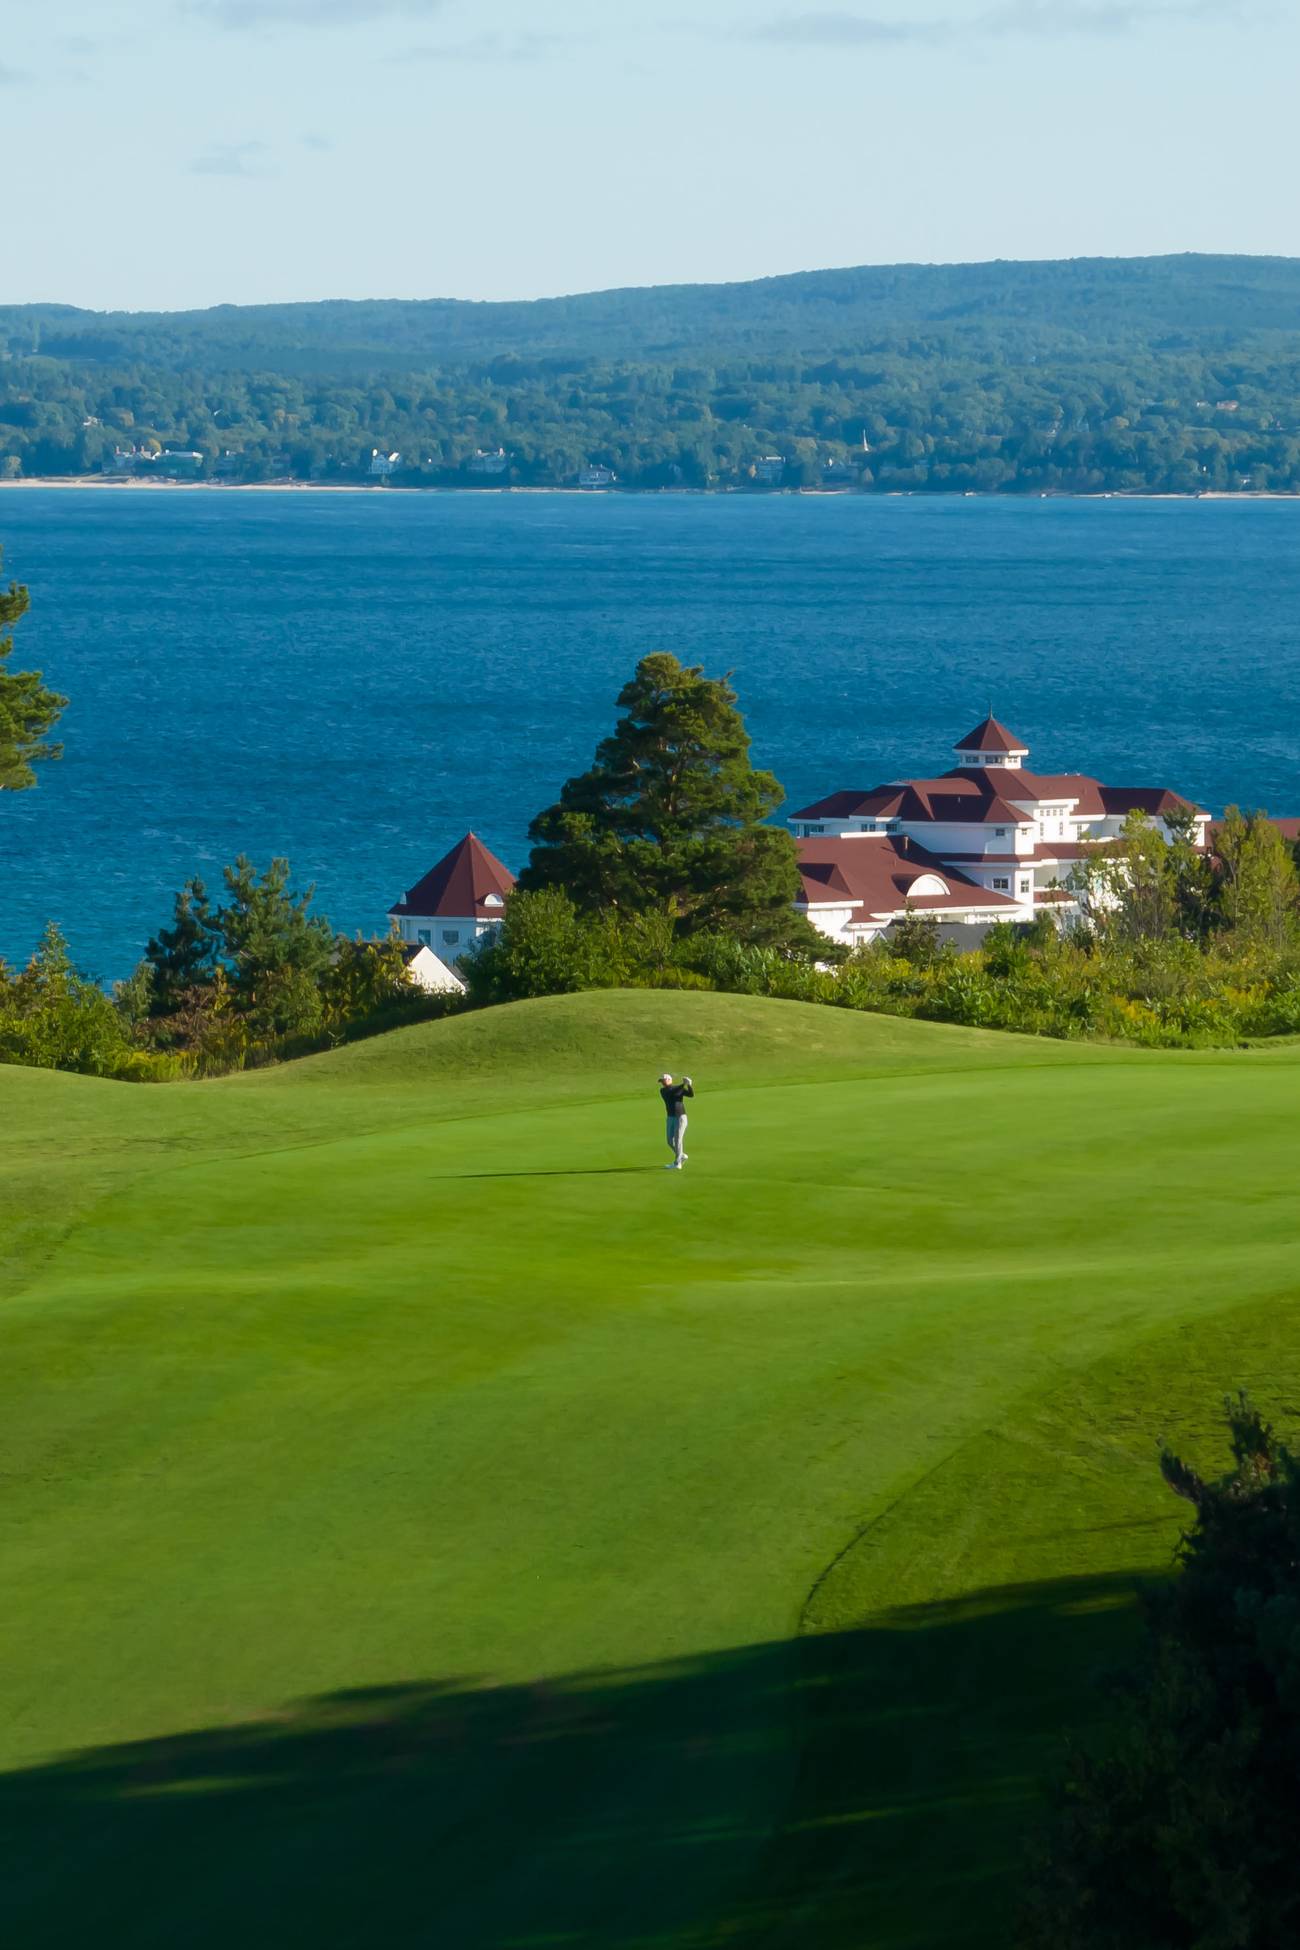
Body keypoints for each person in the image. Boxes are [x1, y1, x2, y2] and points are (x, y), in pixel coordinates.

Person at [659, 1072, 694, 1169]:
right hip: (670, 1117)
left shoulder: (678, 1089)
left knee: (678, 1140)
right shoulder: (663, 1091)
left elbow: (691, 1095)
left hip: (680, 1117)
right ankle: (681, 1155)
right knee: (670, 1141)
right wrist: (684, 1084)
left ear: (669, 1080)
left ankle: (677, 1163)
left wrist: (689, 1085)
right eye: (661, 1081)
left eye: (663, 1080)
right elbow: (671, 1092)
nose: (662, 1082)